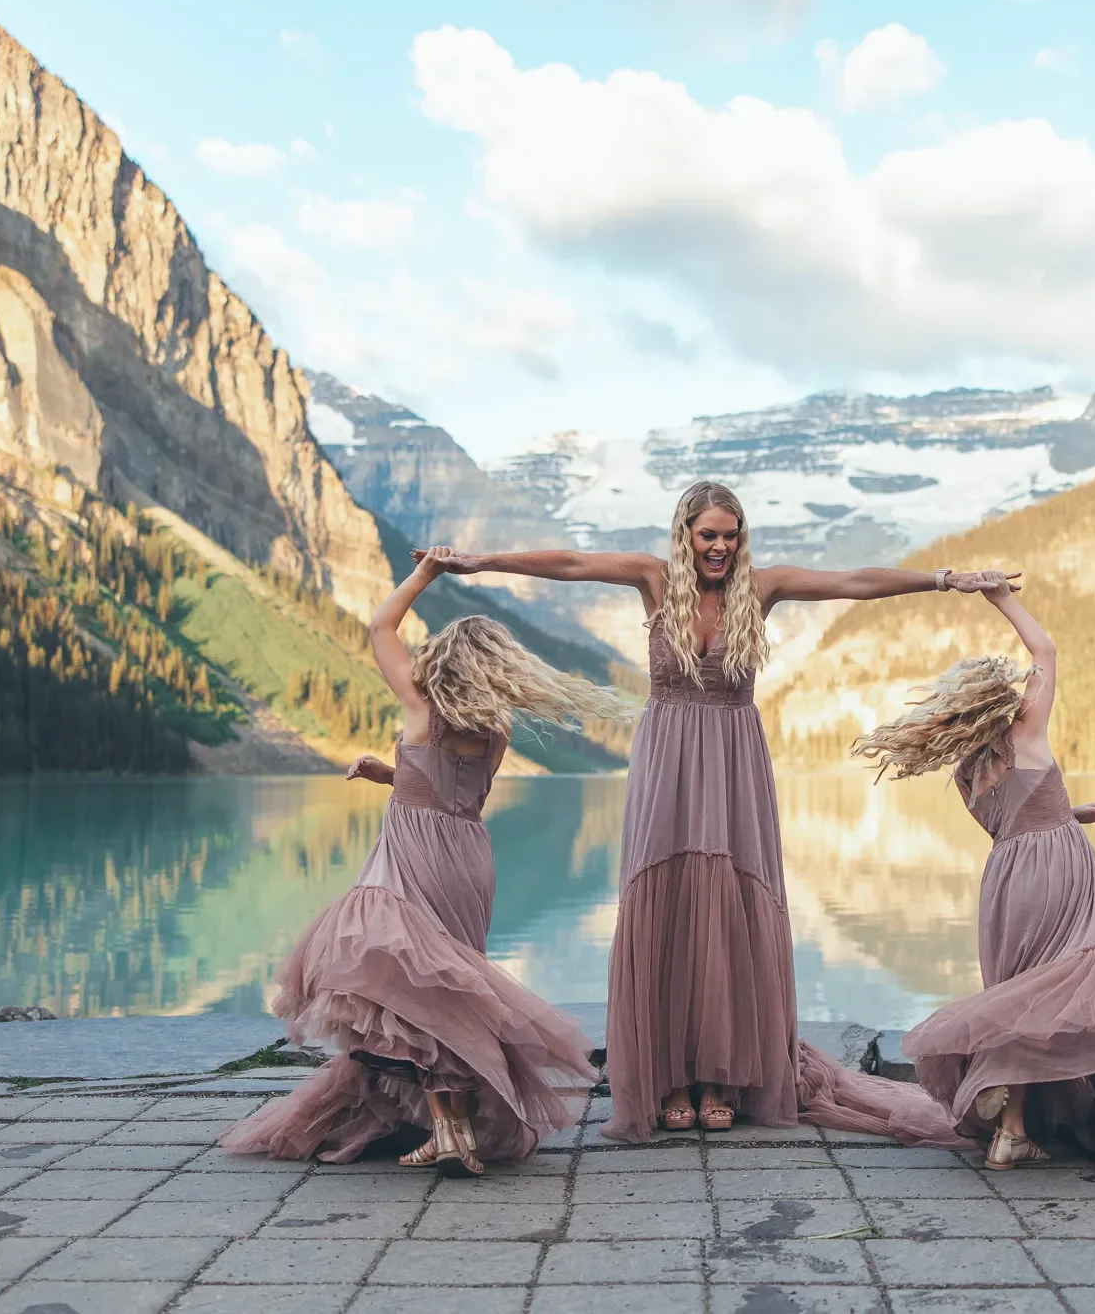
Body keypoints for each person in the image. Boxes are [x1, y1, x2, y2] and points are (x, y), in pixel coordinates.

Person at [421, 480, 996, 1144]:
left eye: (730, 534)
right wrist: (479, 561)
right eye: (708, 535)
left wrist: (944, 579)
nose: (720, 546)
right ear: (686, 535)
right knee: (666, 903)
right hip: (666, 762)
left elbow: (853, 582)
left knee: (728, 906)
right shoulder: (654, 580)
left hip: (733, 764)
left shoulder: (762, 587)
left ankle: (720, 1080)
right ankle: (670, 1079)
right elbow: (573, 564)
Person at [220, 547, 627, 1175]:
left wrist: (426, 574)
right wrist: (391, 774)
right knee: (450, 993)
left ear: (444, 661)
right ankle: (452, 1130)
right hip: (468, 856)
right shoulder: (495, 730)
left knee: (412, 991)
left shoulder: (422, 708)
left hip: (413, 855)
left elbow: (380, 626)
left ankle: (449, 1132)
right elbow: (454, 793)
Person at [853, 571, 1095, 1178]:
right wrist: (1000, 599)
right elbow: (1046, 651)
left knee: (1025, 996)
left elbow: (1013, 824)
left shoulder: (967, 772)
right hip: (1059, 872)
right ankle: (1026, 1093)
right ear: (1002, 699)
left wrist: (1075, 810)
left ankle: (1013, 1131)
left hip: (1006, 882)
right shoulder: (1026, 728)